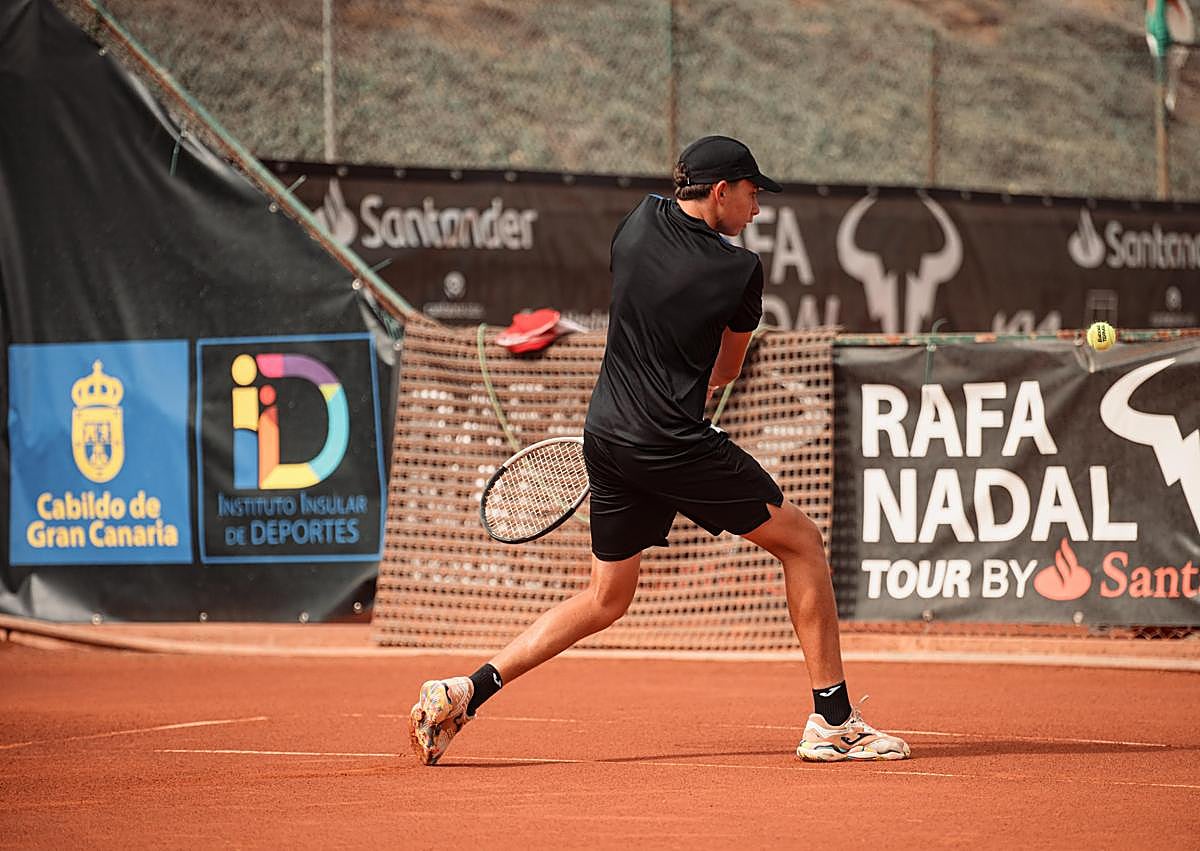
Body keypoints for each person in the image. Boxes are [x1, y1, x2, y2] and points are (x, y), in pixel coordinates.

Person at [408, 135, 910, 765]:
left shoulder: (636, 224)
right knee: (802, 543)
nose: (758, 209)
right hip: (668, 443)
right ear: (722, 192)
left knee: (607, 598)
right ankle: (833, 721)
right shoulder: (739, 271)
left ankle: (466, 690)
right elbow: (725, 372)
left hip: (606, 436)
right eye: (753, 194)